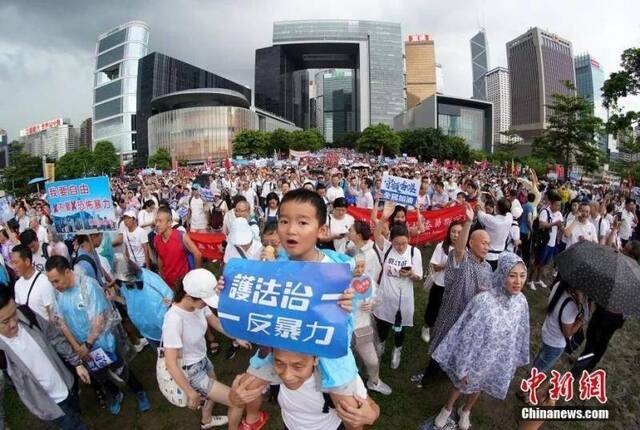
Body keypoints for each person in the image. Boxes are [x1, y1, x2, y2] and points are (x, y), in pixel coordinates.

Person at [221, 189, 362, 430]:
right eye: (284, 221)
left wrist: (350, 304)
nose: (291, 229)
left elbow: (352, 315)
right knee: (243, 389)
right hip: (282, 345)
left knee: (352, 412)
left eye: (302, 222)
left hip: (326, 353)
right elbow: (259, 304)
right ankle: (250, 420)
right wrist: (230, 290)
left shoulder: (338, 269)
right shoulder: (274, 267)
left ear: (322, 230)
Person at [433, 252, 530, 430]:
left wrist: (512, 359)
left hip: (496, 357)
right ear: (501, 275)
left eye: (522, 276)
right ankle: (447, 409)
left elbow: (521, 331)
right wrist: (463, 367)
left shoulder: (521, 302)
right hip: (475, 356)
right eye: (512, 275)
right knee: (460, 384)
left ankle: (466, 410)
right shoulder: (484, 301)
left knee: (481, 384)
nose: (518, 281)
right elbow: (467, 336)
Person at [45, 256, 151, 416]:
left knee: (119, 367)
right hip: (82, 347)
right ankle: (115, 393)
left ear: (67, 272)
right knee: (99, 374)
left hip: (102, 342)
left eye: (56, 281)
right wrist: (78, 348)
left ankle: (139, 391)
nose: (55, 285)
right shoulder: (59, 293)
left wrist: (87, 345)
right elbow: (62, 323)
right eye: (52, 282)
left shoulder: (88, 286)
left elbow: (99, 319)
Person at [161, 269, 249, 429]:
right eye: (203, 301)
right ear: (188, 297)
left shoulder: (199, 305)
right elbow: (170, 363)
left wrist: (236, 337)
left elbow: (214, 321)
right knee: (237, 402)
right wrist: (190, 392)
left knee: (212, 391)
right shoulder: (174, 319)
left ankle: (206, 420)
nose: (206, 305)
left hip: (202, 358)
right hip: (191, 370)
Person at [419, 204, 491, 387]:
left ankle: (447, 373)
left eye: (488, 244)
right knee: (440, 345)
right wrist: (468, 222)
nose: (486, 247)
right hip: (451, 312)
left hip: (468, 318)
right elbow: (458, 250)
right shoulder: (463, 259)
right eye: (483, 243)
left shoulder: (488, 268)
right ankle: (427, 377)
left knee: (458, 349)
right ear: (471, 243)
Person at [0, 288, 91, 429]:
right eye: (5, 321)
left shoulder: (26, 313)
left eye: (14, 314)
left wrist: (77, 363)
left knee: (76, 413)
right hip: (49, 403)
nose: (13, 323)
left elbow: (54, 336)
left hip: (66, 383)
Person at [229, 349, 380, 430]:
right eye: (279, 363)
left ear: (315, 360)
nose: (287, 376)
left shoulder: (338, 379)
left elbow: (371, 406)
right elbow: (247, 388)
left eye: (298, 366)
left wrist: (371, 415)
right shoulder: (271, 372)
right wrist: (235, 400)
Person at [373, 202, 423, 369]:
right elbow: (376, 233)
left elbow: (419, 277)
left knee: (400, 328)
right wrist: (384, 217)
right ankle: (380, 345)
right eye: (397, 243)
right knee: (382, 325)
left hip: (404, 300)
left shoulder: (414, 252)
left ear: (408, 240)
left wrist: (411, 274)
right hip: (385, 297)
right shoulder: (386, 248)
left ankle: (397, 349)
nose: (400, 247)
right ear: (391, 241)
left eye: (403, 243)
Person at [111, 254, 173, 348]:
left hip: (167, 332)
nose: (124, 283)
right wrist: (115, 298)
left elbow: (170, 302)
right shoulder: (125, 284)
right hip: (148, 333)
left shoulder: (151, 282)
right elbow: (127, 301)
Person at [530, 276, 588, 373]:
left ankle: (529, 380)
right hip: (555, 343)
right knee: (540, 370)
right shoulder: (571, 306)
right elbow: (568, 333)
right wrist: (581, 320)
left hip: (547, 332)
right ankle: (528, 386)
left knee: (539, 362)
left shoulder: (558, 286)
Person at [420, 221, 463, 344]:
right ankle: (427, 326)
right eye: (453, 232)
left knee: (449, 309)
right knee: (433, 307)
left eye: (459, 232)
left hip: (454, 287)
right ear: (449, 233)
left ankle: (443, 330)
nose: (455, 235)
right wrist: (447, 263)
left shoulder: (465, 250)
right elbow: (434, 266)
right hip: (440, 284)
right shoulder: (442, 247)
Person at [154, 207, 202, 290]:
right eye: (156, 221)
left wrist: (196, 276)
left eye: (160, 221)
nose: (157, 224)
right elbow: (160, 256)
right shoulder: (156, 239)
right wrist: (161, 274)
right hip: (167, 281)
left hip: (183, 282)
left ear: (169, 223)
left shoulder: (181, 236)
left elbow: (198, 254)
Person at [10, 244, 56, 320]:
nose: (13, 267)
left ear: (27, 261)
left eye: (16, 262)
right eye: (12, 263)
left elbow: (51, 313)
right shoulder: (17, 285)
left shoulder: (44, 282)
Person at [529, 193, 563, 291]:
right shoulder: (545, 211)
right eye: (556, 205)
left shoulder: (559, 214)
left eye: (559, 205)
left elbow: (561, 226)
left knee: (544, 263)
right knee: (537, 262)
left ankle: (538, 279)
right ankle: (530, 280)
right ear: (551, 204)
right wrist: (554, 224)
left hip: (552, 242)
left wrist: (561, 227)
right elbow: (541, 225)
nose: (558, 207)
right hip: (543, 242)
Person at [476, 198, 513, 271]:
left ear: (497, 207)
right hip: (501, 255)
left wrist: (479, 203)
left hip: (488, 256)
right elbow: (505, 208)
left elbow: (478, 211)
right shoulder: (509, 217)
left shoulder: (492, 220)